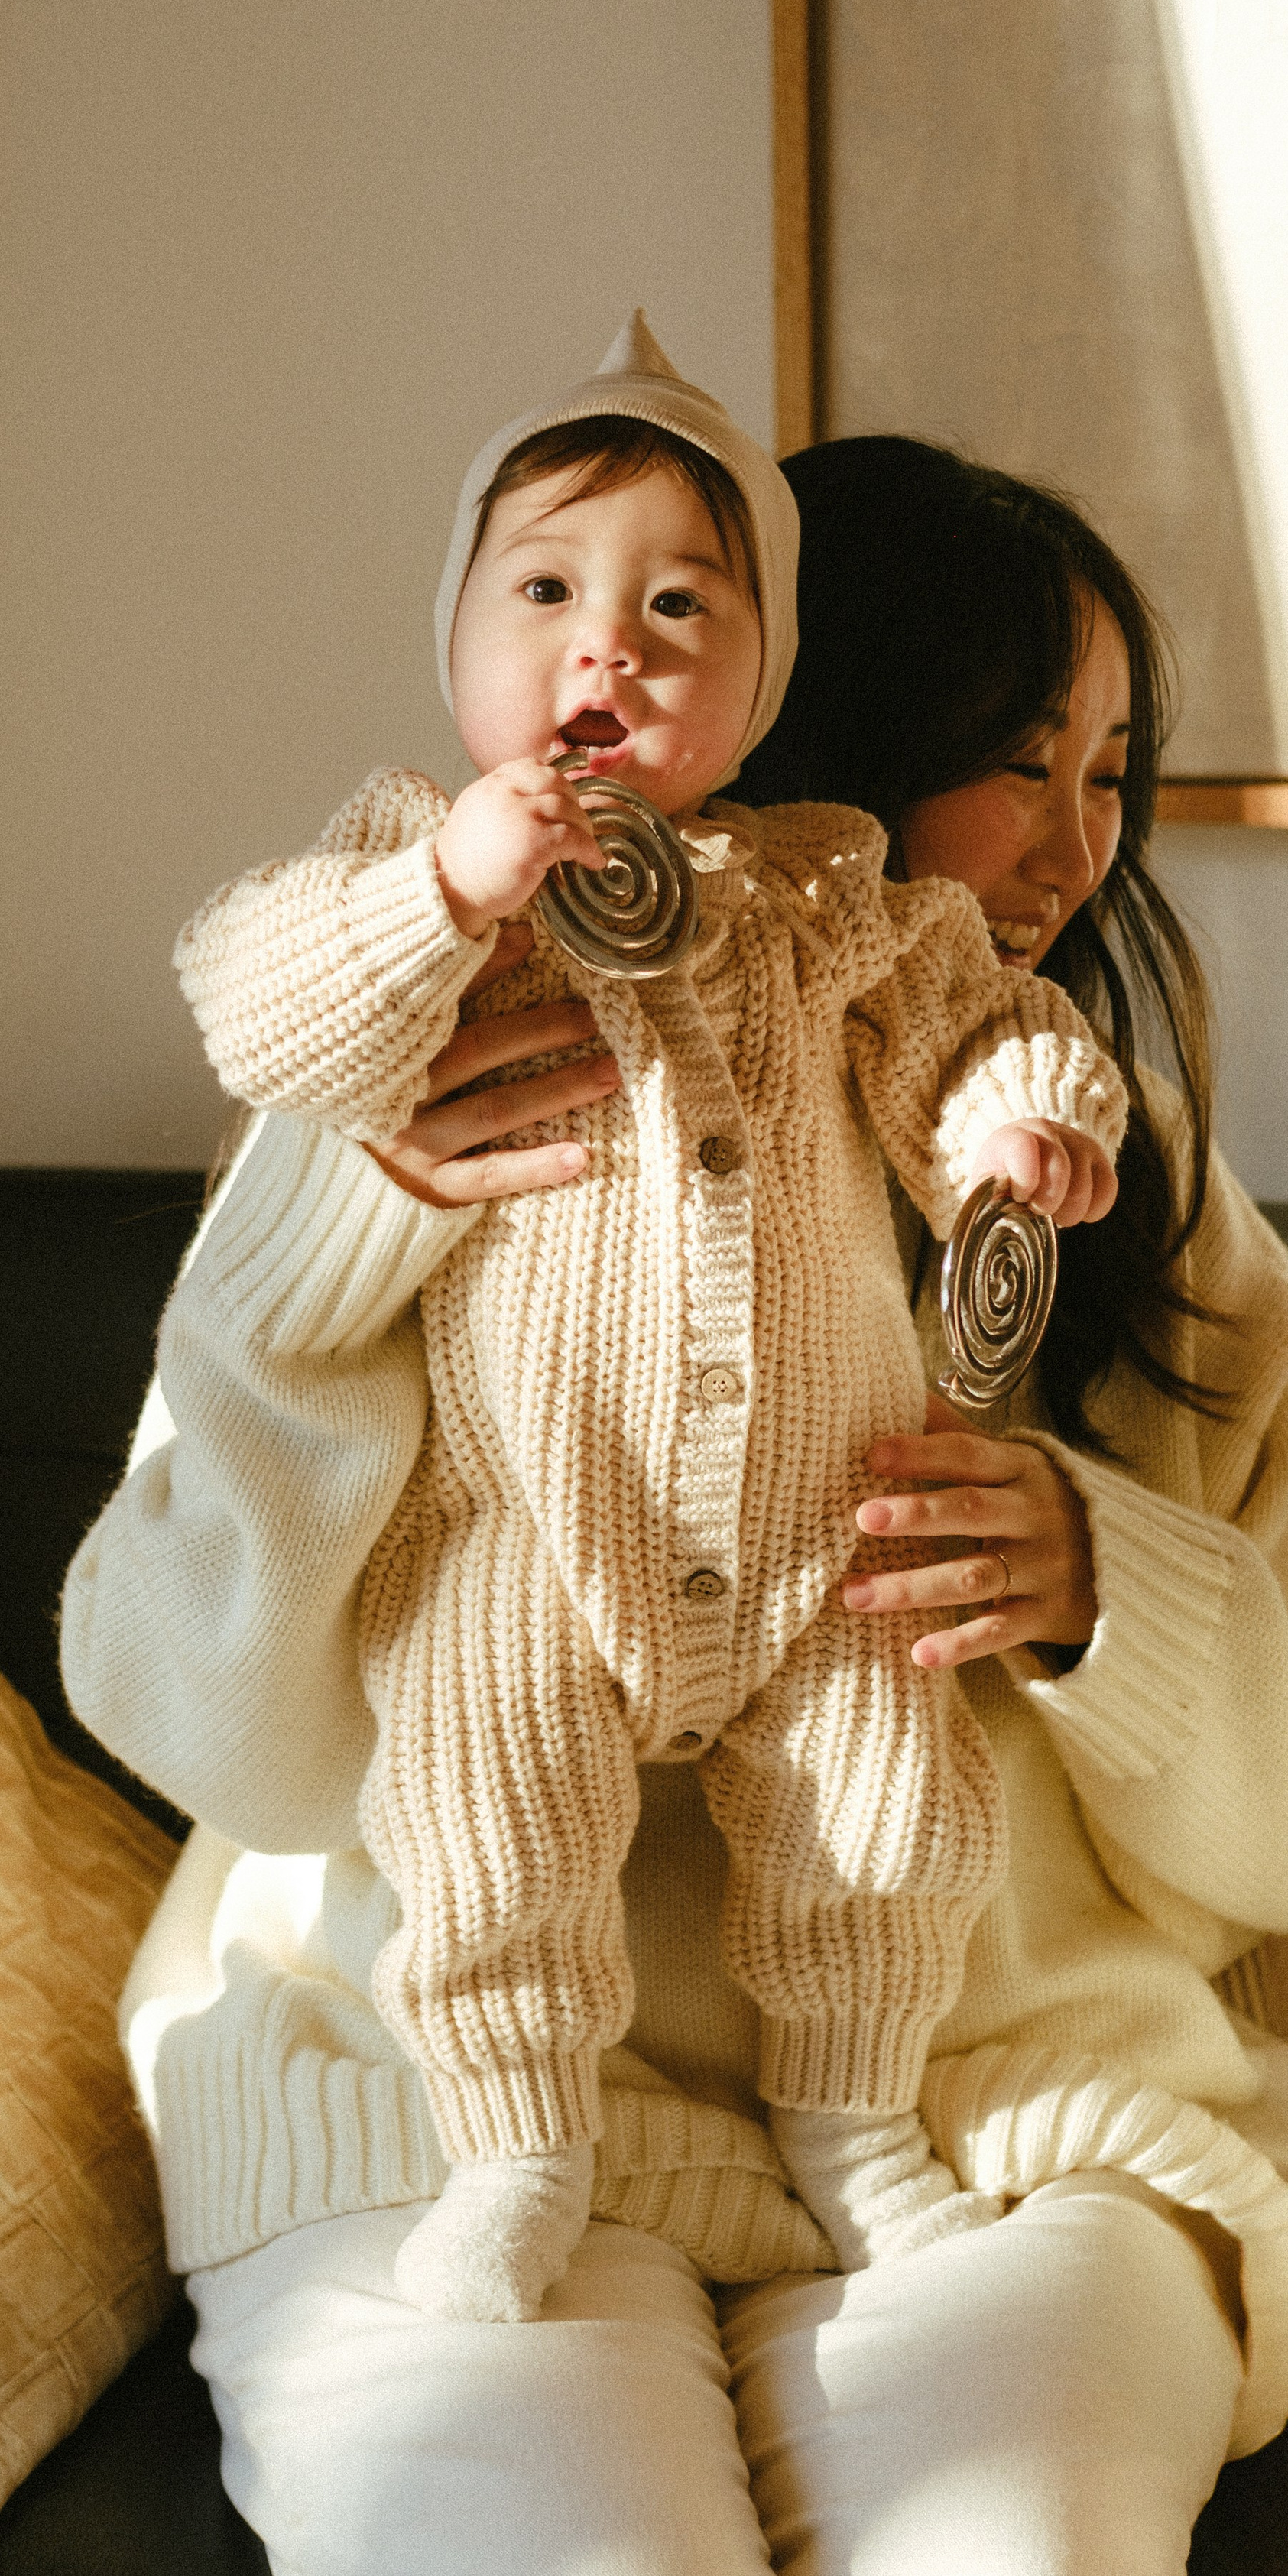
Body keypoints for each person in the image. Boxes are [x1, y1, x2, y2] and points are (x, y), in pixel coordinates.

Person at [62, 430, 1288, 2576]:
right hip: (440, 2113)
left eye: (1115, 768)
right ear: (801, 716)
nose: (1081, 845)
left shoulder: (1108, 1176)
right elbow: (203, 1733)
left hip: (992, 2126)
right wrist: (340, 1243)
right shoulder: (420, 1066)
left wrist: (1106, 1591)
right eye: (1021, 761)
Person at [164, 319, 1125, 2325]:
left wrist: (1028, 1129)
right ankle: (518, 2140)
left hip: (830, 1520)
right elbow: (262, 1007)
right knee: (489, 1819)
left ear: (769, 682)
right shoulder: (414, 866)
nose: (607, 644)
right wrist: (439, 888)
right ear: (458, 640)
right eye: (545, 590)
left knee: (888, 1814)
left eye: (680, 605)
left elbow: (973, 1035)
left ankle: (856, 2120)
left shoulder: (827, 894)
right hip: (532, 1526)